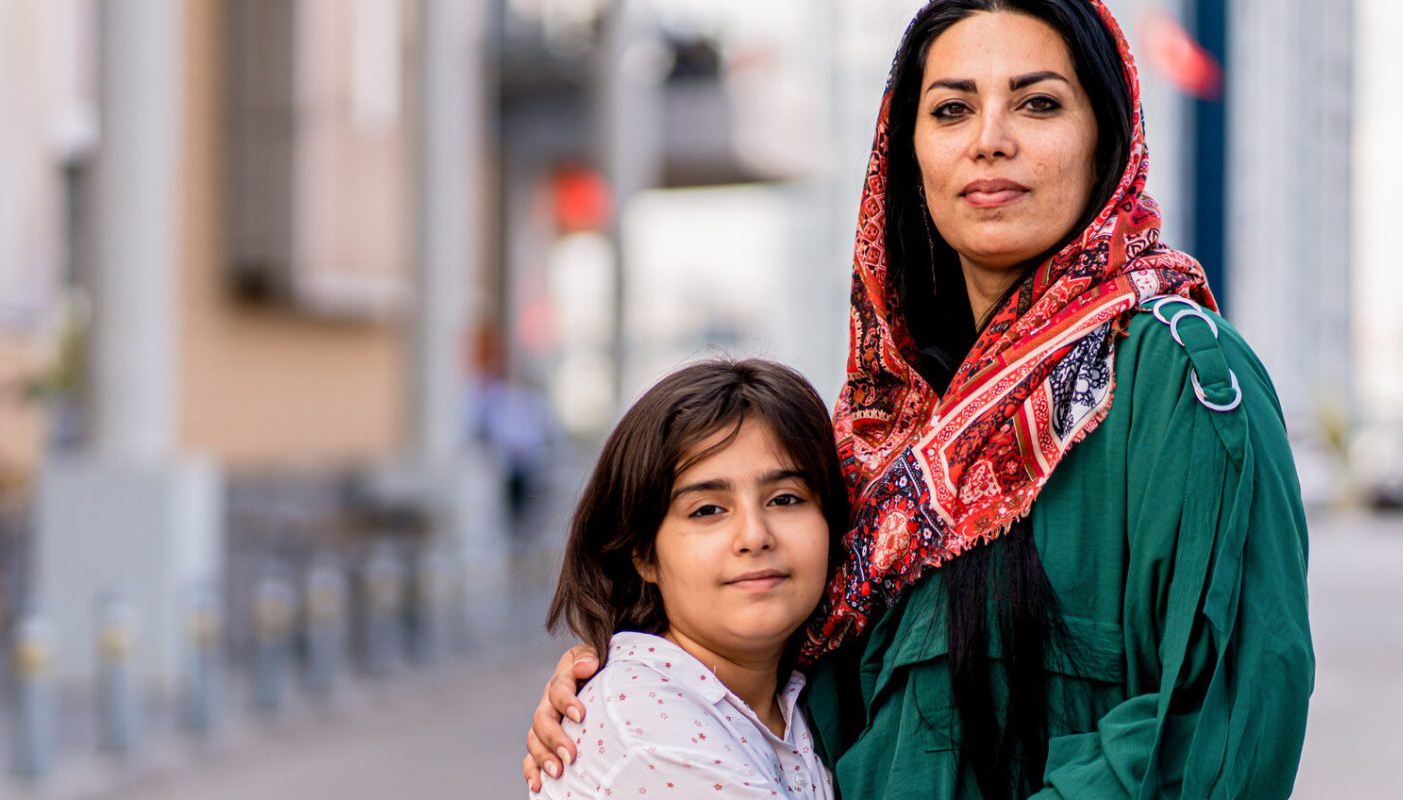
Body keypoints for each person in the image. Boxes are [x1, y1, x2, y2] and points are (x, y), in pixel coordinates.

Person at [524, 1, 1314, 797]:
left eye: (1039, 103)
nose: (990, 138)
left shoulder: (1174, 378)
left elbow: (1216, 722)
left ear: (1106, 138)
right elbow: (774, 659)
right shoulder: (888, 425)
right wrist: (628, 689)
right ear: (910, 156)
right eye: (952, 109)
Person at [532, 358, 850, 799]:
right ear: (642, 553)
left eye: (785, 498)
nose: (754, 536)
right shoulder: (647, 727)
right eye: (708, 510)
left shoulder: (807, 694)